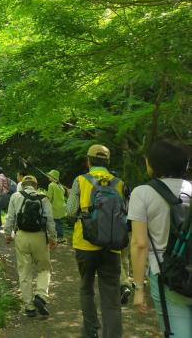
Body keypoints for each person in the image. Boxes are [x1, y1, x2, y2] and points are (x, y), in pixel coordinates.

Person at [129, 140, 192, 337]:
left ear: (153, 164)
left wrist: (139, 289)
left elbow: (139, 244)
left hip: (166, 275)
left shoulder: (142, 193)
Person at [66, 144, 125, 338]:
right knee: (111, 297)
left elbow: (70, 212)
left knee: (86, 288)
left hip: (85, 244)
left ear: (88, 161)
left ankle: (91, 331)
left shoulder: (81, 180)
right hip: (112, 246)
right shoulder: (119, 183)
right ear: (108, 162)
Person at [5, 175, 57, 317]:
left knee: (24, 272)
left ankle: (29, 307)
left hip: (21, 236)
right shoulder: (44, 198)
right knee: (44, 269)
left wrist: (8, 235)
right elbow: (50, 220)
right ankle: (40, 295)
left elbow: (10, 217)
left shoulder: (15, 196)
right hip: (39, 236)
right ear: (36, 185)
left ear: (22, 185)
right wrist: (53, 238)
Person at [46, 169, 67, 244]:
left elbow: (49, 197)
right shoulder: (60, 185)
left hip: (55, 207)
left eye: (50, 175)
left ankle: (59, 237)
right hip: (62, 207)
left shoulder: (51, 185)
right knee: (59, 222)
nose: (48, 176)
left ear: (53, 177)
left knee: (55, 223)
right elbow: (63, 193)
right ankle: (61, 236)